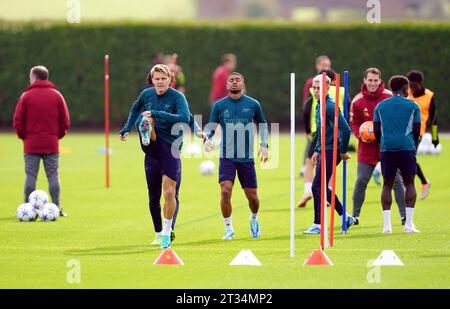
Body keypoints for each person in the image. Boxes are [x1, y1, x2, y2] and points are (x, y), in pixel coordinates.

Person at [119, 64, 194, 249]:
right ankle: (158, 232)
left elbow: (185, 117)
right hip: (153, 147)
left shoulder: (178, 97)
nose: (160, 82)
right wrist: (127, 128)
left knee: (170, 192)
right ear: (152, 80)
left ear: (170, 79)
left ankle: (167, 232)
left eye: (163, 78)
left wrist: (156, 113)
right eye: (156, 79)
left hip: (171, 147)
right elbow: (135, 108)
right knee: (153, 196)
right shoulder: (146, 95)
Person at [205, 72, 269, 240]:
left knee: (253, 198)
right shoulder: (219, 105)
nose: (234, 82)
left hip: (246, 158)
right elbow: (211, 126)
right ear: (227, 85)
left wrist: (264, 146)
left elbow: (262, 124)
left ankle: (254, 219)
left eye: (237, 80)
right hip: (226, 156)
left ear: (243, 84)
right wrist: (207, 139)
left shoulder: (253, 104)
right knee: (225, 191)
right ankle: (228, 229)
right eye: (231, 80)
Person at [350, 68, 406, 225]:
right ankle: (355, 217)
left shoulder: (390, 97)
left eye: (375, 80)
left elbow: (399, 119)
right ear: (364, 80)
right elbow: (354, 123)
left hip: (388, 146)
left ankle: (404, 216)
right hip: (366, 148)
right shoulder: (357, 101)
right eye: (370, 80)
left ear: (380, 81)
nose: (373, 83)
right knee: (361, 180)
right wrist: (360, 134)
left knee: (395, 180)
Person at [13, 65, 70, 217]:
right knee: (53, 175)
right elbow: (65, 122)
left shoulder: (25, 96)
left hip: (31, 144)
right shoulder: (57, 95)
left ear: (34, 78)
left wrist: (24, 137)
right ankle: (56, 207)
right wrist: (55, 136)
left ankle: (27, 207)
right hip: (51, 144)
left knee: (31, 176)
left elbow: (18, 121)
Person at [303, 74, 355, 234]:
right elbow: (321, 131)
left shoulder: (331, 106)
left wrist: (343, 151)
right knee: (321, 187)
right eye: (315, 88)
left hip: (332, 151)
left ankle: (318, 224)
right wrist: (317, 150)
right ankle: (346, 217)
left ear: (327, 88)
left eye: (319, 88)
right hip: (324, 149)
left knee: (317, 186)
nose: (316, 91)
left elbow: (346, 130)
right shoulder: (318, 105)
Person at [373, 75, 421, 234]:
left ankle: (387, 227)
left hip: (387, 149)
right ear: (404, 87)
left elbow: (377, 131)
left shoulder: (380, 106)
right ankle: (408, 225)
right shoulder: (413, 106)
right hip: (406, 148)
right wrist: (411, 144)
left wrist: (384, 144)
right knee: (410, 183)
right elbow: (416, 130)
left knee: (387, 184)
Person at [298, 68, 347, 208]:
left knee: (310, 163)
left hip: (318, 133)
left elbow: (306, 110)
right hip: (336, 135)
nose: (316, 89)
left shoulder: (316, 93)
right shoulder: (342, 91)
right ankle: (328, 194)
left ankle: (308, 192)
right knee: (328, 168)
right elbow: (348, 108)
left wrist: (307, 130)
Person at [407, 70, 439, 200]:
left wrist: (435, 138)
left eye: (414, 86)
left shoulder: (429, 96)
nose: (412, 89)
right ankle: (421, 183)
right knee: (407, 159)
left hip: (417, 133)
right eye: (410, 85)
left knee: (410, 159)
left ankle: (423, 183)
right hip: (403, 131)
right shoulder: (406, 91)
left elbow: (434, 119)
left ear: (420, 84)